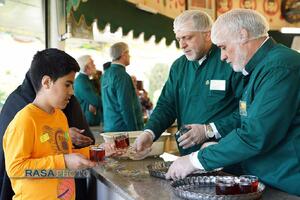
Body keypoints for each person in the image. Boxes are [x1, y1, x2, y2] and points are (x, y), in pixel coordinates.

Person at [165, 9, 300, 196]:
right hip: (266, 177)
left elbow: (255, 135)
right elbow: (248, 122)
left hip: (286, 183)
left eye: (223, 47)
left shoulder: (280, 67)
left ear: (243, 35)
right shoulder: (260, 68)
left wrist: (195, 160)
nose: (222, 57)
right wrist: (217, 147)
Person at [134, 10, 243, 155]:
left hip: (225, 156)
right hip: (187, 156)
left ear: (208, 35)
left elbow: (245, 112)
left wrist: (208, 131)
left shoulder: (230, 61)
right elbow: (167, 105)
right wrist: (150, 132)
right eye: (179, 39)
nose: (182, 45)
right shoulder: (179, 66)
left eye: (187, 37)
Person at [3, 48, 96, 200]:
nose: (72, 92)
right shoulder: (25, 120)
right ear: (46, 82)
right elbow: (16, 169)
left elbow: (63, 152)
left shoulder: (60, 116)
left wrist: (97, 151)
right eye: (67, 84)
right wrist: (64, 162)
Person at [101, 42, 143, 132]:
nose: (130, 56)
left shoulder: (105, 74)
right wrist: (134, 131)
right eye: (128, 53)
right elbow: (126, 106)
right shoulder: (122, 75)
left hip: (110, 126)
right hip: (123, 129)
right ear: (123, 54)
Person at [74, 55, 102, 126]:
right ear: (86, 67)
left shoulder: (86, 80)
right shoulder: (81, 81)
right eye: (92, 63)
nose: (94, 65)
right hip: (87, 122)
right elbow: (95, 101)